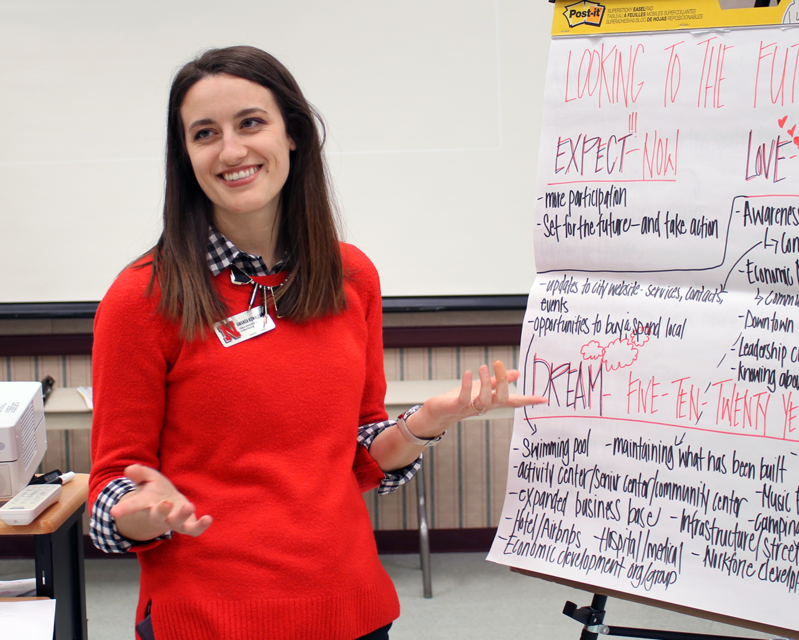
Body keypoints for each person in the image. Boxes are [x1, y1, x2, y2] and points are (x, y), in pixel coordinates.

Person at [87, 45, 545, 640]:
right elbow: (109, 494)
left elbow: (358, 458)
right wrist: (140, 515)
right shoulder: (141, 299)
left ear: (294, 134)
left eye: (251, 123)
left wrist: (426, 423)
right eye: (205, 133)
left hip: (349, 606)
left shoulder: (351, 276)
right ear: (186, 155)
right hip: (210, 618)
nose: (231, 150)